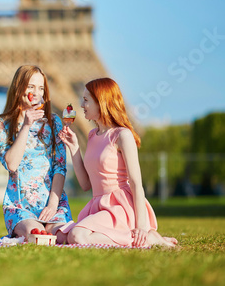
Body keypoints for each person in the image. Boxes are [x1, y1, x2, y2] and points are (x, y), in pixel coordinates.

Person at [57, 78, 178, 247]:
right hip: (98, 205)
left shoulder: (122, 135)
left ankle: (149, 238)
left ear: (101, 102)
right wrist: (74, 147)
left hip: (119, 206)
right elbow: (85, 185)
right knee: (64, 236)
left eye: (86, 100)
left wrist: (142, 227)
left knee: (77, 236)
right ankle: (138, 238)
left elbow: (136, 183)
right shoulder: (92, 136)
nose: (81, 105)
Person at [0, 65, 72, 240]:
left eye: (41, 88)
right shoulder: (0, 125)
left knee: (63, 236)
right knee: (37, 235)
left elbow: (60, 167)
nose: (36, 92)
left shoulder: (54, 122)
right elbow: (11, 164)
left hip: (52, 202)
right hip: (20, 206)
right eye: (31, 86)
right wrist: (26, 125)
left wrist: (52, 205)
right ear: (18, 87)